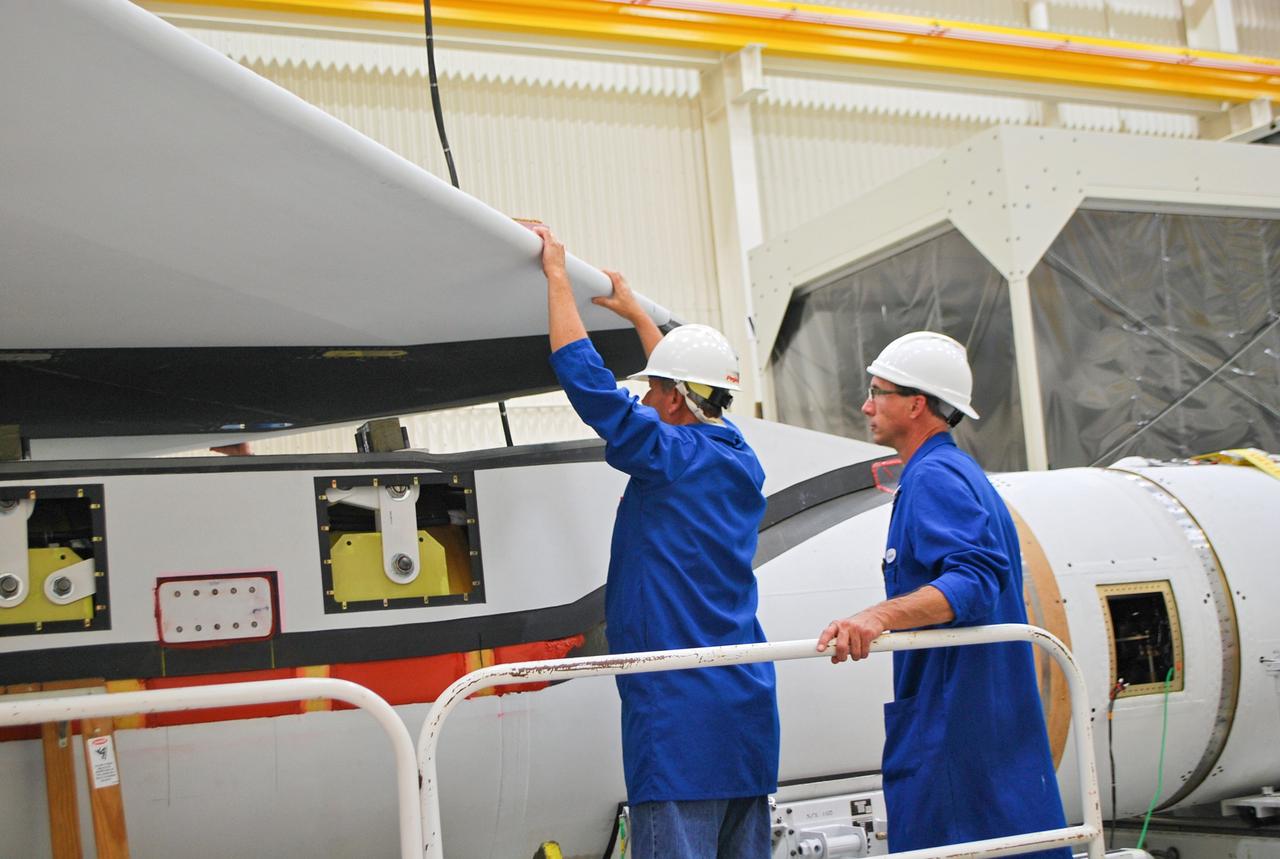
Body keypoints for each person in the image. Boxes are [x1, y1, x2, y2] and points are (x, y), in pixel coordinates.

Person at [532, 225, 779, 859]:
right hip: (744, 710)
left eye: (652, 388)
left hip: (678, 717)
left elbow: (591, 388)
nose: (643, 396)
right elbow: (683, 391)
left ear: (672, 400)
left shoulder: (670, 456)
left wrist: (557, 278)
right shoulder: (739, 456)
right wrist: (639, 315)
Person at [816, 331, 1070, 858]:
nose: (866, 405)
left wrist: (877, 617)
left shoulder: (934, 477)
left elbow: (975, 579)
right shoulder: (953, 472)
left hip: (955, 720)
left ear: (916, 404)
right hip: (972, 716)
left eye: (878, 392)